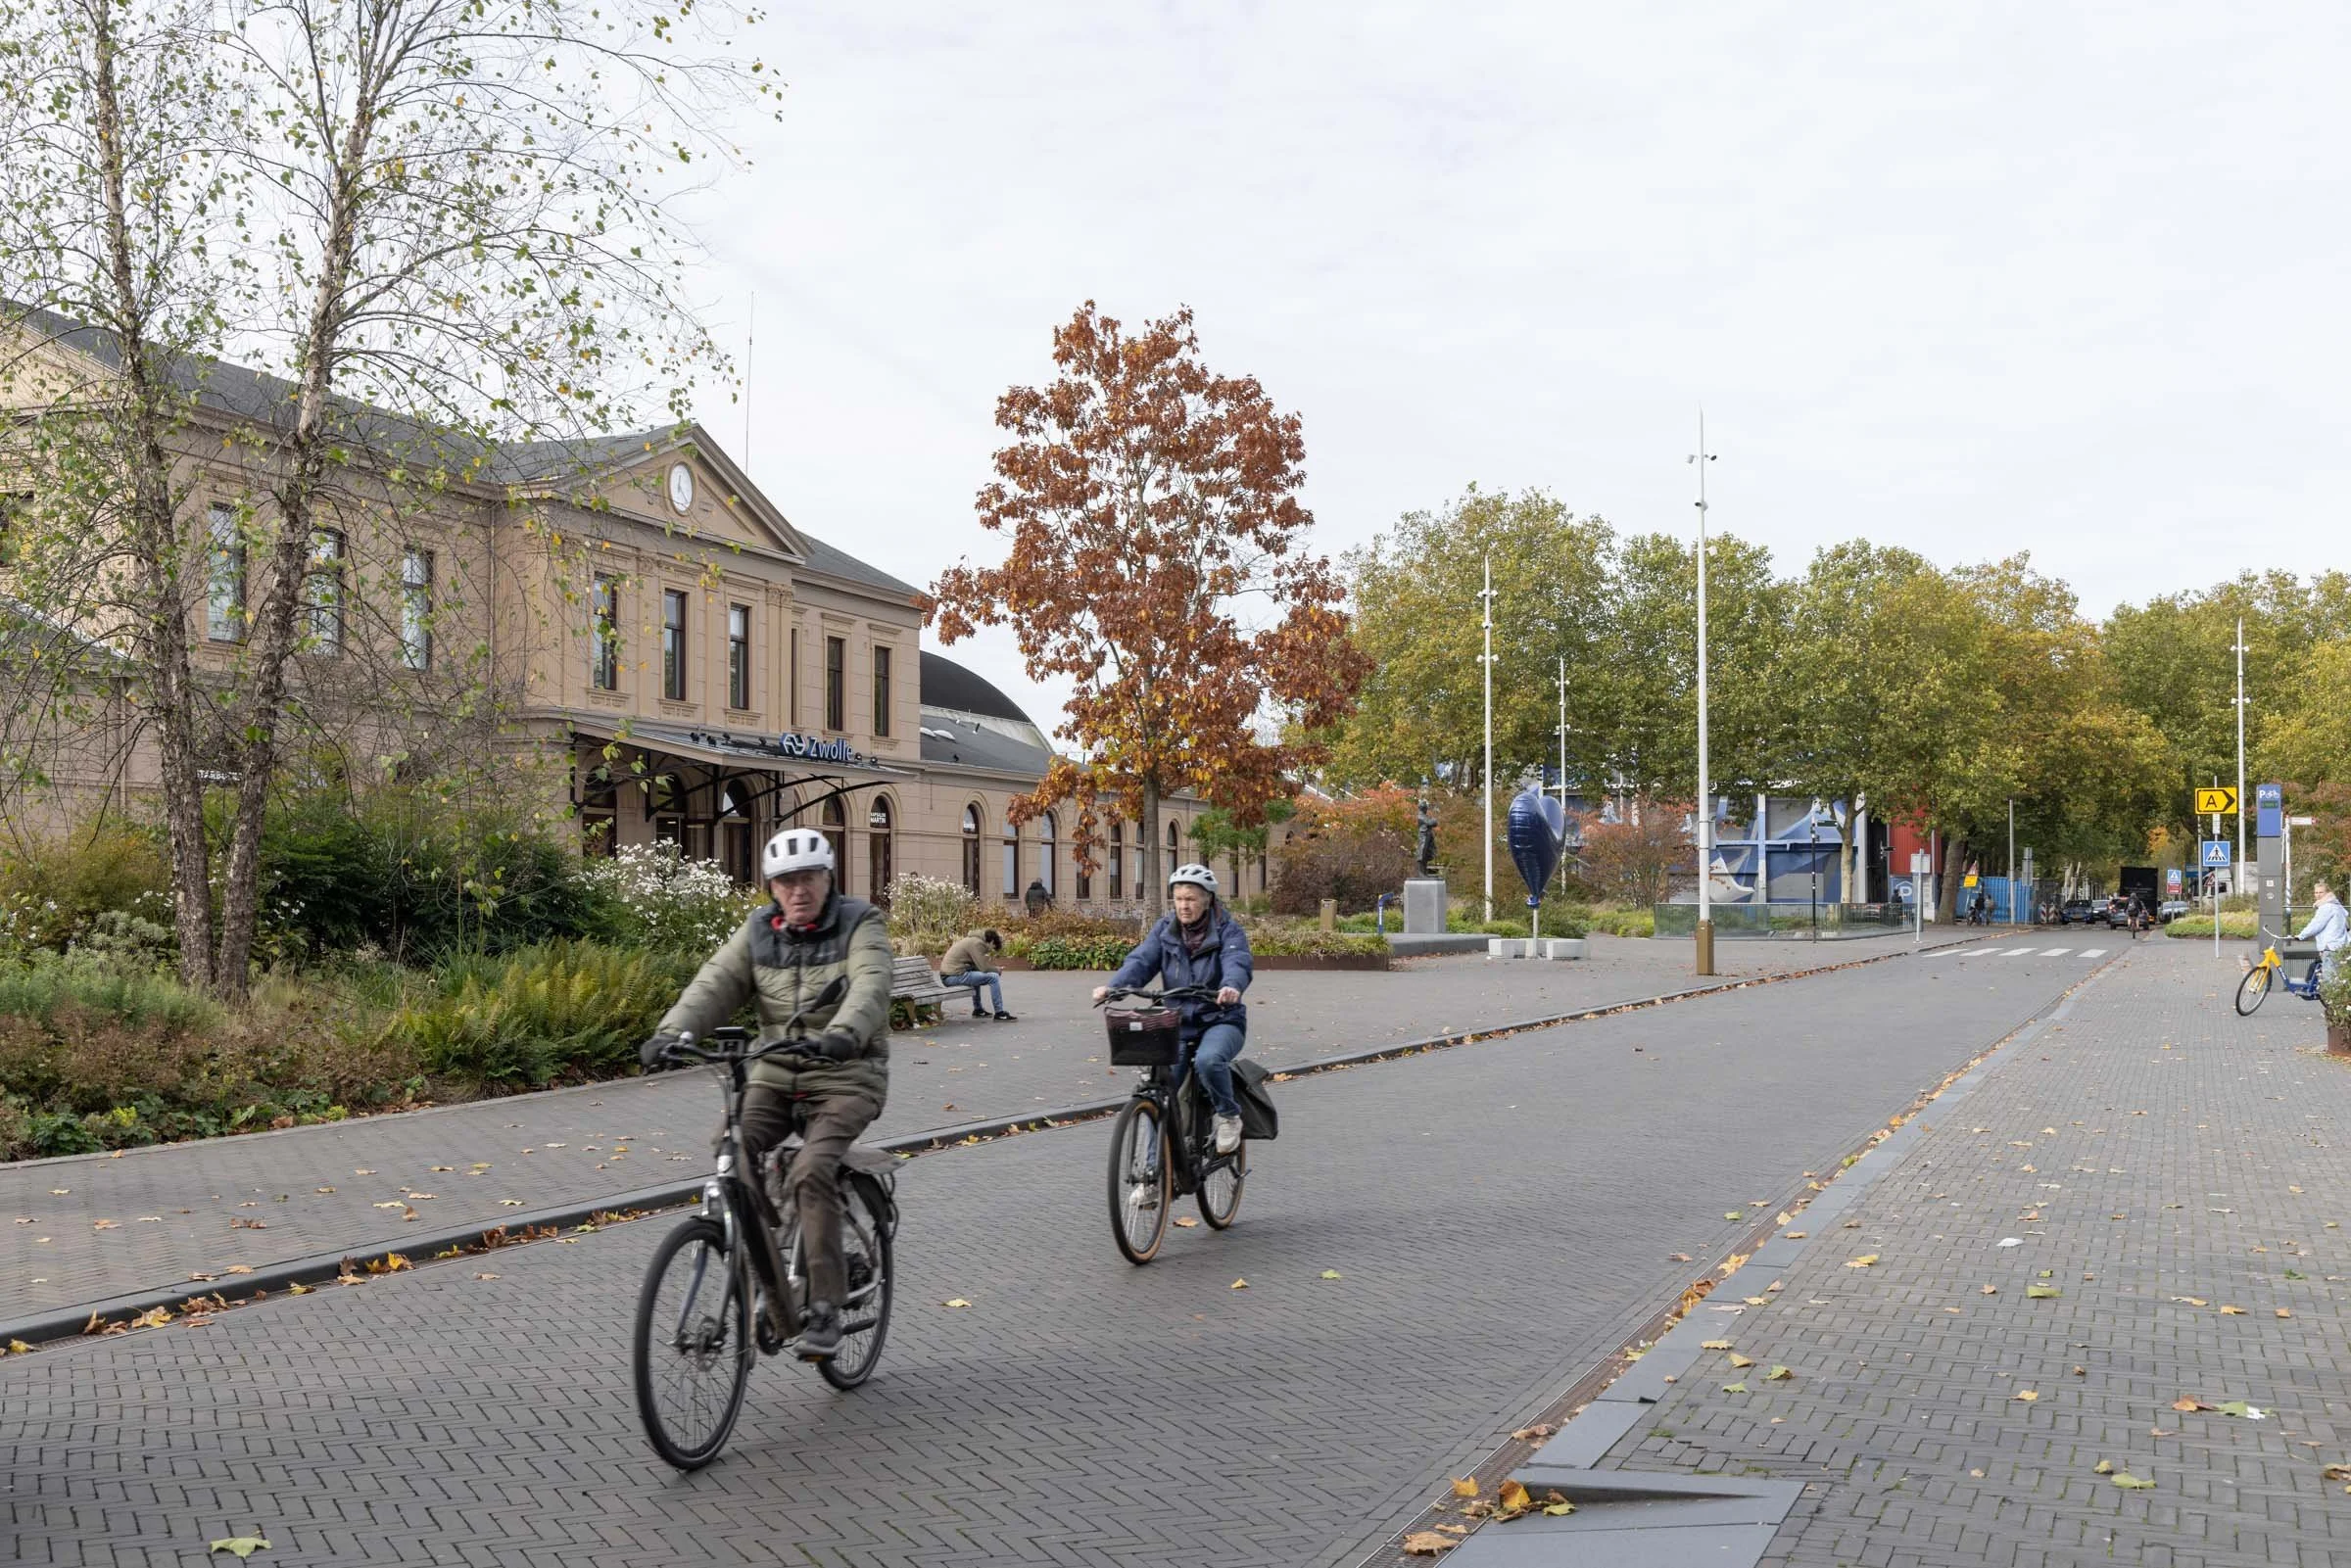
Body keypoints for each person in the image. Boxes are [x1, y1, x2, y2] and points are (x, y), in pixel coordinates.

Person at [638, 828, 891, 1358]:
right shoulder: (758, 931)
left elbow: (869, 984)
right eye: (785, 882)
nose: (798, 891)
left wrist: (845, 1034)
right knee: (732, 1152)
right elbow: (715, 983)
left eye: (808, 879)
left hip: (845, 1076)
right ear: (772, 889)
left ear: (828, 879)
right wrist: (671, 1033)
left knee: (810, 1171)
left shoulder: (859, 923)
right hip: (773, 1076)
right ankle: (772, 1265)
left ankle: (824, 1303)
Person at [1093, 864, 1254, 1156]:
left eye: (1190, 899)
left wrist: (1231, 987)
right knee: (1159, 1096)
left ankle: (1229, 1116)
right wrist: (1114, 987)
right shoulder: (1166, 930)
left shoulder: (1228, 931)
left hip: (1221, 1019)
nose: (1184, 906)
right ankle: (1151, 1174)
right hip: (1178, 1023)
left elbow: (1237, 962)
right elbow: (1142, 961)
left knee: (1208, 1061)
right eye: (1179, 899)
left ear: (1207, 899)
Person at [939, 927, 1016, 1021]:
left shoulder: (973, 940)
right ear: (991, 942)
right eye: (993, 947)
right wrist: (997, 970)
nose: (990, 950)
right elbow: (984, 968)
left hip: (951, 975)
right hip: (952, 976)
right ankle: (999, 1012)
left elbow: (978, 967)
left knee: (976, 975)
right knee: (994, 977)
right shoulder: (977, 944)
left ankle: (978, 1009)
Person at [2295, 880, 2347, 987]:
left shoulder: (2327, 907)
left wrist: (2301, 936)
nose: (2318, 895)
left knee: (2330, 979)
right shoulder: (2337, 906)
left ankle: (2334, 1002)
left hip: (2330, 946)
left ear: (2327, 893)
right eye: (2316, 893)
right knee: (2335, 974)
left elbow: (2316, 925)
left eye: (2321, 892)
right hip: (2340, 945)